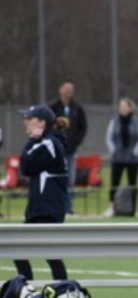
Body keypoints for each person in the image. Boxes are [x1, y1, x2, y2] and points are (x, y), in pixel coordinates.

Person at [13, 104, 69, 281]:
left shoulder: (49, 143)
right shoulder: (47, 142)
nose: (25, 123)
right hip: (40, 209)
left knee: (45, 254)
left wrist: (32, 140)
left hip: (47, 209)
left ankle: (29, 290)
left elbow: (26, 166)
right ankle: (29, 289)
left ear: (42, 123)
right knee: (36, 252)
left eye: (29, 119)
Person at [103, 97, 138, 217]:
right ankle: (111, 207)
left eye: (124, 106)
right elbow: (109, 138)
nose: (122, 109)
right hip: (118, 158)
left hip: (133, 159)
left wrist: (135, 152)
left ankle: (134, 209)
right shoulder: (114, 122)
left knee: (133, 183)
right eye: (120, 107)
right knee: (114, 182)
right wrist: (114, 151)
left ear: (130, 108)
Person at [50, 79, 87, 215]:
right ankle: (56, 206)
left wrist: (76, 142)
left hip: (71, 150)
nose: (68, 93)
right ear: (60, 90)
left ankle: (68, 207)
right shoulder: (53, 107)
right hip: (55, 151)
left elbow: (83, 128)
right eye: (66, 90)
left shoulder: (77, 108)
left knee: (70, 179)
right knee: (56, 177)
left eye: (70, 90)